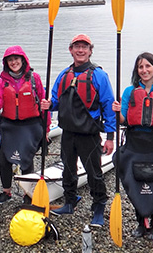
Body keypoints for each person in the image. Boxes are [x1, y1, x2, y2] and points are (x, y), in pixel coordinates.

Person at [40, 33, 115, 227]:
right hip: (68, 133)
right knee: (68, 169)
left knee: (94, 173)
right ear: (71, 50)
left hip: (89, 134)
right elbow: (56, 102)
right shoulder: (64, 75)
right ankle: (70, 201)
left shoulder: (99, 75)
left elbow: (108, 106)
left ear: (90, 51)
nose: (80, 50)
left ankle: (98, 206)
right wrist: (48, 105)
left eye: (85, 47)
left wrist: (110, 137)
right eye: (77, 47)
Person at [111, 52, 153, 239]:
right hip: (134, 145)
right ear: (136, 71)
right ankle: (141, 223)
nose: (144, 70)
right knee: (135, 184)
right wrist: (115, 112)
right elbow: (122, 120)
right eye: (140, 67)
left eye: (148, 66)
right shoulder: (129, 92)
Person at [0, 46, 48, 204]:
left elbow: (44, 105)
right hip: (9, 126)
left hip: (30, 125)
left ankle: (27, 194)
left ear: (23, 60)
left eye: (16, 59)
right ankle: (6, 192)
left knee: (26, 159)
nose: (14, 62)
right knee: (4, 160)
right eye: (10, 60)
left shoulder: (34, 78)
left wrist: (47, 129)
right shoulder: (2, 82)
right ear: (6, 63)